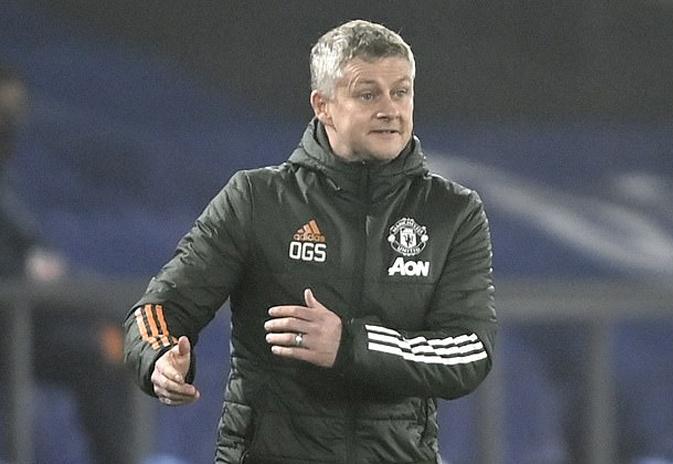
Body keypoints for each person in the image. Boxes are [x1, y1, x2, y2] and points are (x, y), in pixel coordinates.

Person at [123, 19, 498, 463]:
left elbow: (470, 351)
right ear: (323, 106)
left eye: (401, 92)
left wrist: (349, 344)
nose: (390, 109)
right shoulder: (255, 199)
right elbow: (158, 310)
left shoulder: (452, 212)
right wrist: (161, 358)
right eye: (368, 94)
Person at [0, 65, 130, 464]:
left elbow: (35, 253)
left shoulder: (9, 189)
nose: (10, 124)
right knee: (98, 351)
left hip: (30, 318)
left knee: (122, 338)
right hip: (10, 321)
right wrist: (24, 268)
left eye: (15, 112)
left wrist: (42, 269)